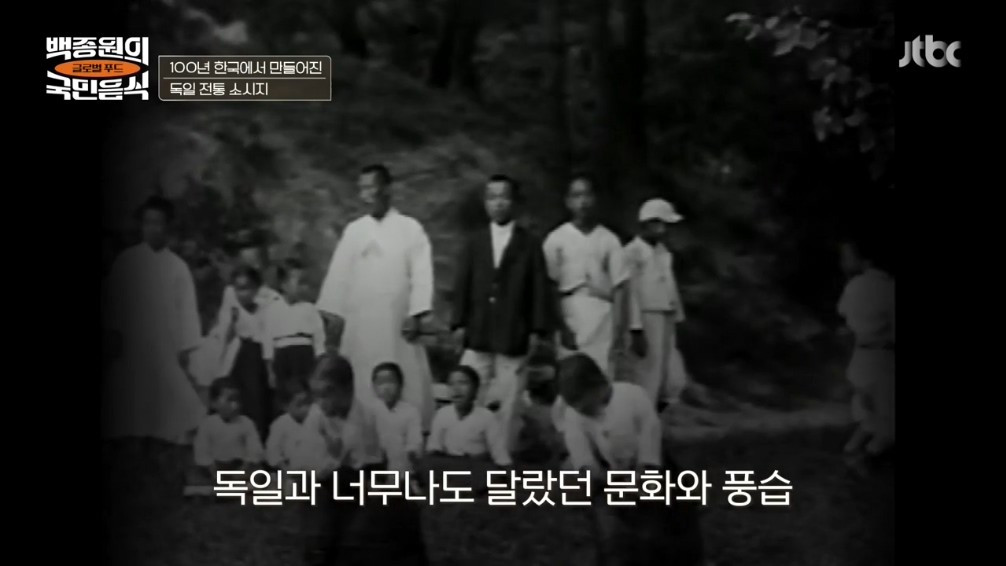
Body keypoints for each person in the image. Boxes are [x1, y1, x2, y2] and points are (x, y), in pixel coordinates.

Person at [317, 163, 435, 431]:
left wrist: (416, 314)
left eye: (371, 188)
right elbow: (339, 275)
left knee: (401, 371)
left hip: (396, 322)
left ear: (387, 189)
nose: (366, 195)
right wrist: (332, 317)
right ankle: (362, 434)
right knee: (360, 374)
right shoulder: (354, 231)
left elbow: (422, 274)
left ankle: (407, 433)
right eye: (362, 189)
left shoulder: (410, 228)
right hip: (360, 323)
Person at [557, 353, 705, 566]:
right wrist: (602, 479)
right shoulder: (574, 416)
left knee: (668, 519)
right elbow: (582, 456)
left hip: (651, 466)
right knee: (610, 532)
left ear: (598, 385)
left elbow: (650, 434)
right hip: (607, 476)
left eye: (584, 404)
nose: (581, 410)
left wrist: (644, 472)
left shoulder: (633, 396)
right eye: (575, 406)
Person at [291, 354, 427, 566]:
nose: (321, 402)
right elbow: (301, 460)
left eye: (327, 394)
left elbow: (397, 458)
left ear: (348, 389)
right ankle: (321, 550)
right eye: (316, 395)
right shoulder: (317, 415)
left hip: (372, 481)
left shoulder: (373, 412)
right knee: (314, 499)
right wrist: (322, 468)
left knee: (376, 528)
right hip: (335, 482)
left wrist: (391, 486)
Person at [451, 174, 553, 451]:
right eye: (492, 197)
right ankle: (470, 447)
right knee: (473, 387)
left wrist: (536, 328)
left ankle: (503, 453)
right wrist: (459, 322)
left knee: (510, 396)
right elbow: (463, 283)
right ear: (485, 203)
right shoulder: (475, 242)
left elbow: (538, 288)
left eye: (504, 197)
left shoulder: (529, 243)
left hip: (514, 329)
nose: (498, 203)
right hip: (479, 327)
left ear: (514, 202)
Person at [102, 195, 207, 444]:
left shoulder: (178, 267)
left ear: (168, 227)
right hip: (132, 345)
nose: (153, 228)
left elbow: (187, 312)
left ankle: (163, 449)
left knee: (168, 410)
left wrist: (185, 350)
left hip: (165, 346)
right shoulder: (127, 261)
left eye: (159, 223)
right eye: (148, 222)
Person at [543, 175, 630, 430]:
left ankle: (602, 431)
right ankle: (568, 433)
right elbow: (550, 286)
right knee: (570, 373)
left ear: (596, 199)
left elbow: (621, 287)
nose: (582, 202)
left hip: (601, 312)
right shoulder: (556, 239)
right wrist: (561, 326)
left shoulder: (609, 239)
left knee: (601, 373)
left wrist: (619, 330)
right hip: (570, 310)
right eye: (576, 196)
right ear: (568, 201)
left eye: (587, 195)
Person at [624, 198, 688, 409]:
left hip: (666, 315)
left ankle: (653, 414)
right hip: (646, 317)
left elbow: (670, 285)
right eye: (661, 224)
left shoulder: (663, 252)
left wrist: (677, 316)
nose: (665, 230)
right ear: (648, 223)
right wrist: (635, 328)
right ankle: (643, 419)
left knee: (674, 378)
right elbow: (631, 292)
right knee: (648, 375)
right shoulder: (632, 252)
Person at [837, 238, 895, 464]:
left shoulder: (853, 287)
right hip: (882, 360)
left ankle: (850, 452)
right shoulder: (888, 288)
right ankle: (862, 460)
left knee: (870, 416)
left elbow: (844, 314)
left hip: (860, 359)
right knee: (888, 424)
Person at [220, 265, 277, 439]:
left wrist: (270, 370)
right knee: (238, 397)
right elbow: (225, 337)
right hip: (240, 355)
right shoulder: (231, 302)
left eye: (246, 288)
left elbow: (268, 339)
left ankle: (259, 439)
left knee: (258, 399)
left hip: (260, 356)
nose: (241, 294)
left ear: (256, 289)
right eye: (238, 288)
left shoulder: (267, 305)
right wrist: (232, 320)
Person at [185, 377, 265, 496]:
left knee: (260, 474)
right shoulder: (207, 424)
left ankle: (226, 490)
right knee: (193, 475)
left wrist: (243, 469)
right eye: (230, 400)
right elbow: (202, 450)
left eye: (237, 400)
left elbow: (254, 449)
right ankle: (222, 489)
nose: (235, 405)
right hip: (214, 468)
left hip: (239, 467)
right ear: (214, 403)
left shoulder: (246, 423)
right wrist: (213, 471)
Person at [263, 258, 326, 405]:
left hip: (305, 355)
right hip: (283, 357)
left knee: (307, 393)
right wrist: (270, 372)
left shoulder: (310, 309)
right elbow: (267, 344)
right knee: (285, 395)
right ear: (284, 285)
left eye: (305, 283)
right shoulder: (272, 309)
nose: (303, 287)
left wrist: (319, 365)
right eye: (299, 282)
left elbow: (319, 340)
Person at [426, 366, 512, 467]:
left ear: (475, 389)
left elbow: (500, 454)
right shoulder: (442, 414)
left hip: (477, 467)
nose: (456, 388)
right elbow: (434, 447)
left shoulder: (487, 417)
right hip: (449, 466)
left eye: (463, 383)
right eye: (451, 384)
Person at [371, 362, 424, 470]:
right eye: (380, 382)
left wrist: (412, 453)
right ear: (374, 387)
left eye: (391, 381)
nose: (386, 387)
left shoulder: (411, 412)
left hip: (403, 469)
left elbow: (415, 443)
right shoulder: (370, 412)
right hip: (375, 469)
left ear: (400, 384)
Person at [265, 381, 312, 470]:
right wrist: (285, 468)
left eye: (308, 403)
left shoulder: (314, 419)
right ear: (286, 406)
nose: (306, 408)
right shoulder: (280, 424)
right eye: (299, 405)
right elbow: (272, 451)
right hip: (291, 469)